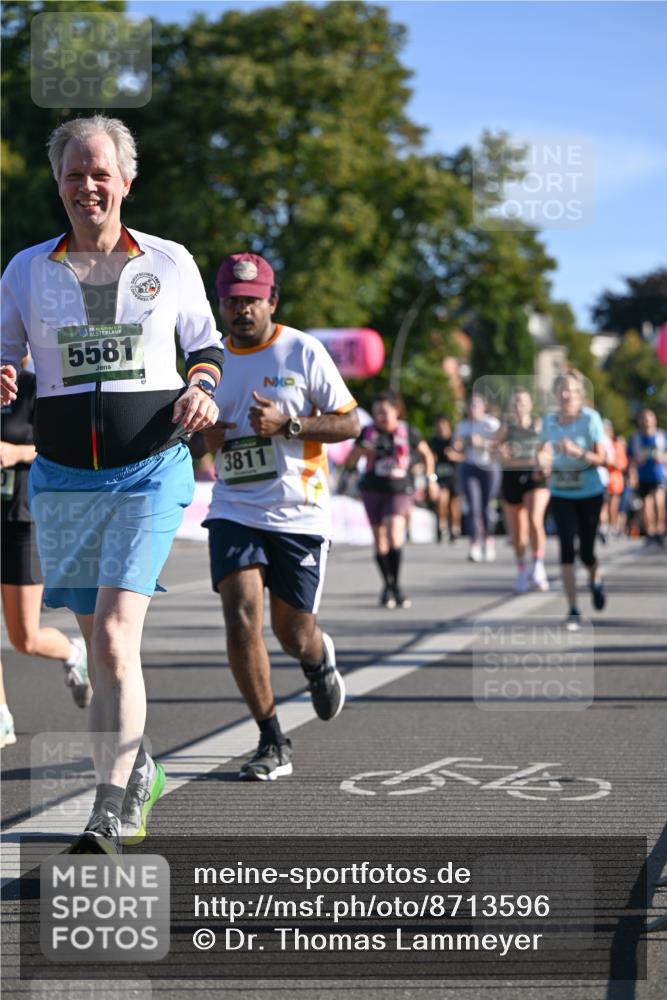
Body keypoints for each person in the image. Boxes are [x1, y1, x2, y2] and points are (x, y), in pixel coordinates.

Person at [0, 116, 224, 852]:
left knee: (117, 639)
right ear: (57, 182)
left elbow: (206, 345)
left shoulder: (169, 259)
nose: (86, 185)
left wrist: (201, 385)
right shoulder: (28, 269)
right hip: (63, 478)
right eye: (73, 173)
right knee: (98, 644)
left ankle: (108, 807)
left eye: (101, 173)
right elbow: (5, 355)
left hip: (150, 469)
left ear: (126, 181)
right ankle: (139, 766)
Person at [201, 252, 359, 782]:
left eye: (251, 301)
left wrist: (289, 426)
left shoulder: (302, 350)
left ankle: (317, 659)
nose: (241, 310)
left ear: (272, 300)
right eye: (231, 301)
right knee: (242, 615)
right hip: (234, 508)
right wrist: (205, 437)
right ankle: (271, 739)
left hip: (299, 514)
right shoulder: (209, 360)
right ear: (219, 304)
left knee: (293, 633)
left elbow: (350, 423)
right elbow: (188, 435)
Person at [1, 358, 91, 749]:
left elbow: (61, 448)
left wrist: (16, 454)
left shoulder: (40, 384)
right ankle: (2, 716)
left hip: (23, 519)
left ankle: (73, 652)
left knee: (25, 638)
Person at [345, 390, 438, 608]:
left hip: (399, 489)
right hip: (372, 489)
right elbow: (350, 461)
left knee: (394, 532)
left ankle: (396, 585)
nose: (380, 417)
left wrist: (430, 479)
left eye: (385, 412)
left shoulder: (408, 432)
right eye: (376, 412)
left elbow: (426, 454)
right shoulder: (367, 433)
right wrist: (360, 451)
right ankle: (388, 585)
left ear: (396, 410)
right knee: (379, 539)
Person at [537, 370, 607, 630]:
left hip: (589, 491)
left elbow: (603, 459)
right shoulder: (548, 422)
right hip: (560, 491)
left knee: (586, 551)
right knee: (566, 547)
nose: (566, 395)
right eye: (562, 390)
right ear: (556, 394)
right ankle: (573, 609)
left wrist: (577, 452)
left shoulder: (591, 419)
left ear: (580, 395)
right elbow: (541, 450)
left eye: (571, 391)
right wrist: (542, 460)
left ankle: (595, 577)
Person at [495, 388, 550, 592]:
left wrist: (543, 462)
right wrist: (500, 452)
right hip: (512, 477)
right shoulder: (506, 429)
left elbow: (548, 453)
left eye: (523, 402)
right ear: (511, 406)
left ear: (530, 405)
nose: (519, 406)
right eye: (515, 402)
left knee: (535, 519)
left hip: (535, 478)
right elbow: (494, 452)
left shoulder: (539, 427)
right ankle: (521, 570)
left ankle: (538, 566)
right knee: (518, 534)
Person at [453, 394, 501, 562]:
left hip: (488, 467)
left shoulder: (492, 424)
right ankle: (474, 544)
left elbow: (501, 445)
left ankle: (488, 540)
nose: (473, 409)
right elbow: (456, 447)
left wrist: (482, 443)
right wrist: (458, 446)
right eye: (470, 405)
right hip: (470, 466)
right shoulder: (463, 426)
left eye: (476, 405)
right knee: (473, 506)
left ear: (483, 406)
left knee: (487, 506)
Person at [627, 409, 666, 546]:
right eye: (644, 418)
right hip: (642, 477)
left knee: (658, 502)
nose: (647, 421)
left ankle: (660, 530)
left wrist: (661, 457)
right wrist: (632, 473)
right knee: (646, 506)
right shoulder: (636, 438)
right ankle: (650, 532)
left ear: (654, 420)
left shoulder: (662, 436)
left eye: (649, 418)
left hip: (658, 476)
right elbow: (631, 459)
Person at [429, 416, 462, 542]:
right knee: (442, 499)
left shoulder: (454, 440)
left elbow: (464, 456)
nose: (442, 428)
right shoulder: (434, 441)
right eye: (439, 425)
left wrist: (454, 456)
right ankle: (442, 527)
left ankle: (455, 528)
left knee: (454, 505)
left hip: (454, 476)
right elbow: (430, 457)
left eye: (444, 425)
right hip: (441, 476)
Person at [600, 419, 628, 541]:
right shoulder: (599, 444)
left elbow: (623, 464)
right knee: (603, 506)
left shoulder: (616, 445)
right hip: (602, 481)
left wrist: (612, 462)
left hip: (615, 481)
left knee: (613, 507)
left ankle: (612, 527)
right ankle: (604, 528)